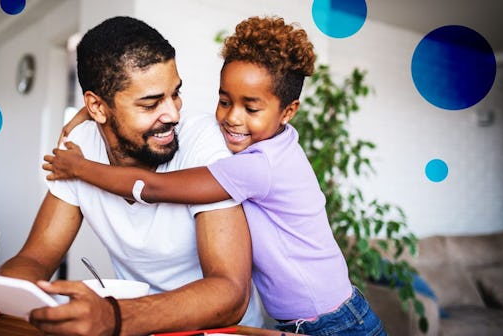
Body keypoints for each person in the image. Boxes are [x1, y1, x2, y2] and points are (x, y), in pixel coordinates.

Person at [0, 16, 263, 335]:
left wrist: (114, 316)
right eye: (150, 103)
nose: (172, 113)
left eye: (176, 93)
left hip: (225, 332)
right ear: (96, 108)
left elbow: (231, 292)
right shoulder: (79, 147)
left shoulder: (203, 141)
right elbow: (36, 257)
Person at [44, 16, 386, 335]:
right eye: (224, 101)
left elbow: (154, 187)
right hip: (303, 319)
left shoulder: (257, 166)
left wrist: (80, 168)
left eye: (251, 108)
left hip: (336, 322)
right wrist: (83, 119)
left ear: (288, 112)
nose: (233, 119)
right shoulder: (265, 147)